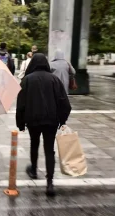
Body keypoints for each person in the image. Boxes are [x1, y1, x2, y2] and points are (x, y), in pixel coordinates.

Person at [16, 53, 71, 197]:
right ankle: (50, 183)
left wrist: (20, 123)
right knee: (49, 149)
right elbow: (64, 103)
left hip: (33, 120)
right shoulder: (54, 79)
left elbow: (20, 104)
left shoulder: (27, 80)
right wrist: (62, 120)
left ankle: (33, 170)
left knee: (34, 143)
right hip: (51, 120)